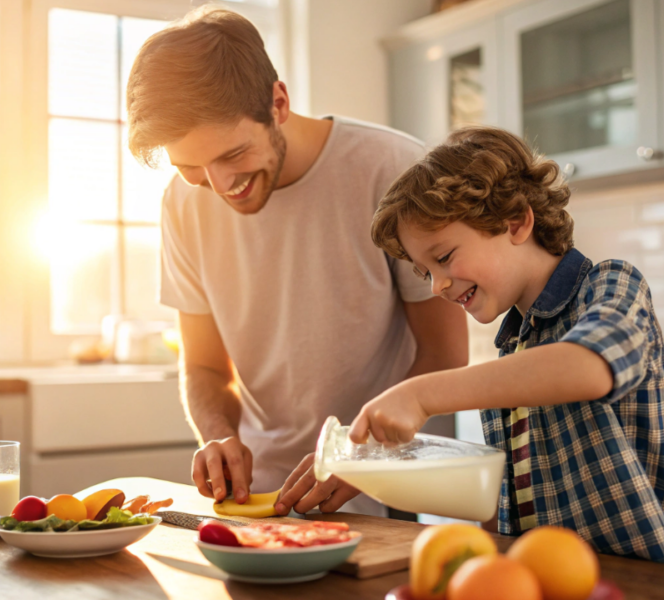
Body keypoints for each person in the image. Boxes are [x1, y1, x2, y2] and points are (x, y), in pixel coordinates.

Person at [125, 6, 469, 516]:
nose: (220, 187)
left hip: (380, 488)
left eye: (232, 155)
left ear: (278, 103)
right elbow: (202, 365)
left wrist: (363, 456)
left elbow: (444, 354)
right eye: (191, 166)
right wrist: (218, 435)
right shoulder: (181, 203)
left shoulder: (392, 169)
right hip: (262, 497)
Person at [344, 126, 664, 568]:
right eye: (424, 272)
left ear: (516, 221)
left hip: (646, 582)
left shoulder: (611, 284)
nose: (437, 285)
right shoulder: (513, 344)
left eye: (443, 258)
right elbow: (511, 499)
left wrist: (419, 393)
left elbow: (589, 366)